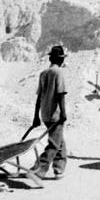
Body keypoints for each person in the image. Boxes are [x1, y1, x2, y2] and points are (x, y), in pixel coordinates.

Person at [31, 45, 68, 180]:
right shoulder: (58, 73)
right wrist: (63, 112)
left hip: (45, 114)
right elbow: (60, 94)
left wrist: (36, 116)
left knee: (60, 142)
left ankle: (59, 170)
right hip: (55, 114)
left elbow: (39, 97)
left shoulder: (43, 73)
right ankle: (38, 169)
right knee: (54, 144)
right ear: (60, 59)